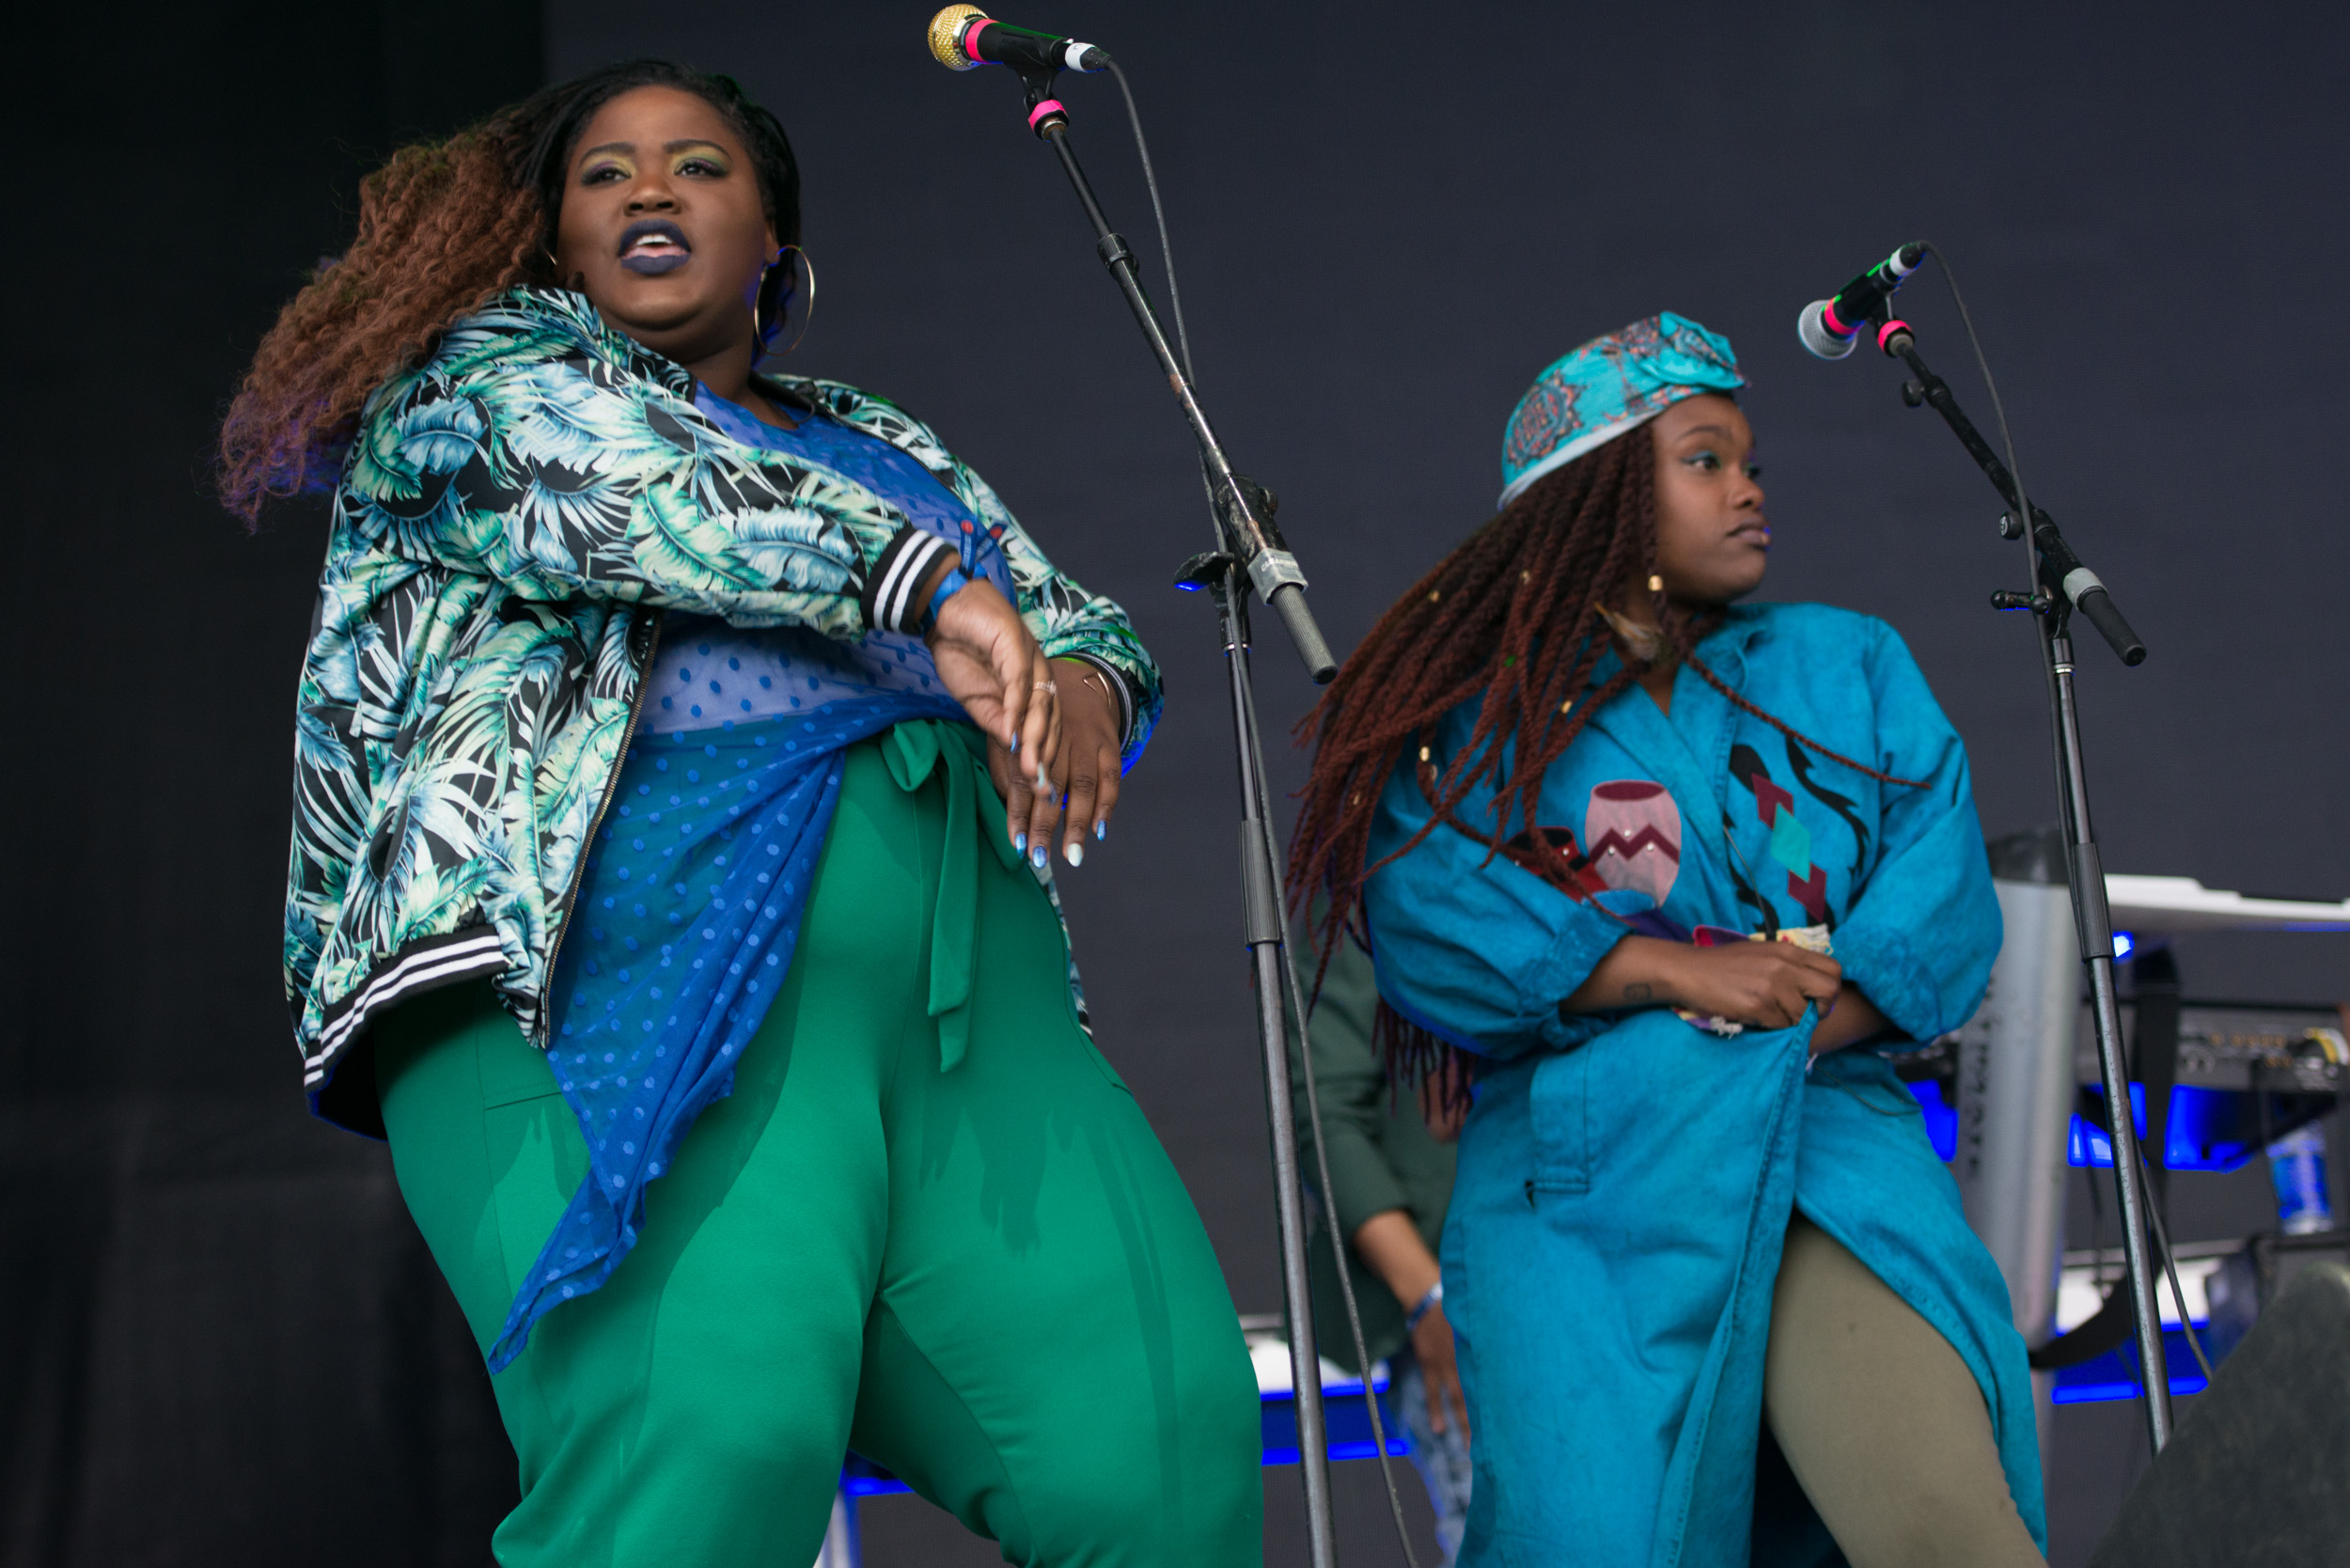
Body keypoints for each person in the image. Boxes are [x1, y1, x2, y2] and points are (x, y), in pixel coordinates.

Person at [219, 58, 1261, 1567]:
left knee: (1155, 1451)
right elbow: (646, 494)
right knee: (706, 1455)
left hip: (971, 1018)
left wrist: (1088, 691)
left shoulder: (878, 442)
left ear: (775, 238)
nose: (651, 188)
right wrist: (926, 590)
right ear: (551, 239)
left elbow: (1066, 619)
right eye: (605, 173)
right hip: (611, 989)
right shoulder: (470, 390)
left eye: (699, 165)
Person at [1287, 315, 2046, 1567]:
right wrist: (1673, 973)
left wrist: (1789, 1022)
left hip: (1823, 1151)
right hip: (1589, 1201)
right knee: (1603, 1538)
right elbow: (1428, 911)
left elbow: (1939, 879)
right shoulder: (1477, 726)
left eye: (1750, 463)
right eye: (1705, 461)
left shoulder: (1845, 662)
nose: (1748, 488)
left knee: (1940, 1524)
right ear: (1598, 499)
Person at [1289, 927, 1473, 1563]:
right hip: (1462, 1302)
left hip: (1585, 1285)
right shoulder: (1372, 883)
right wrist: (1430, 1298)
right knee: (1499, 1536)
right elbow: (1322, 1112)